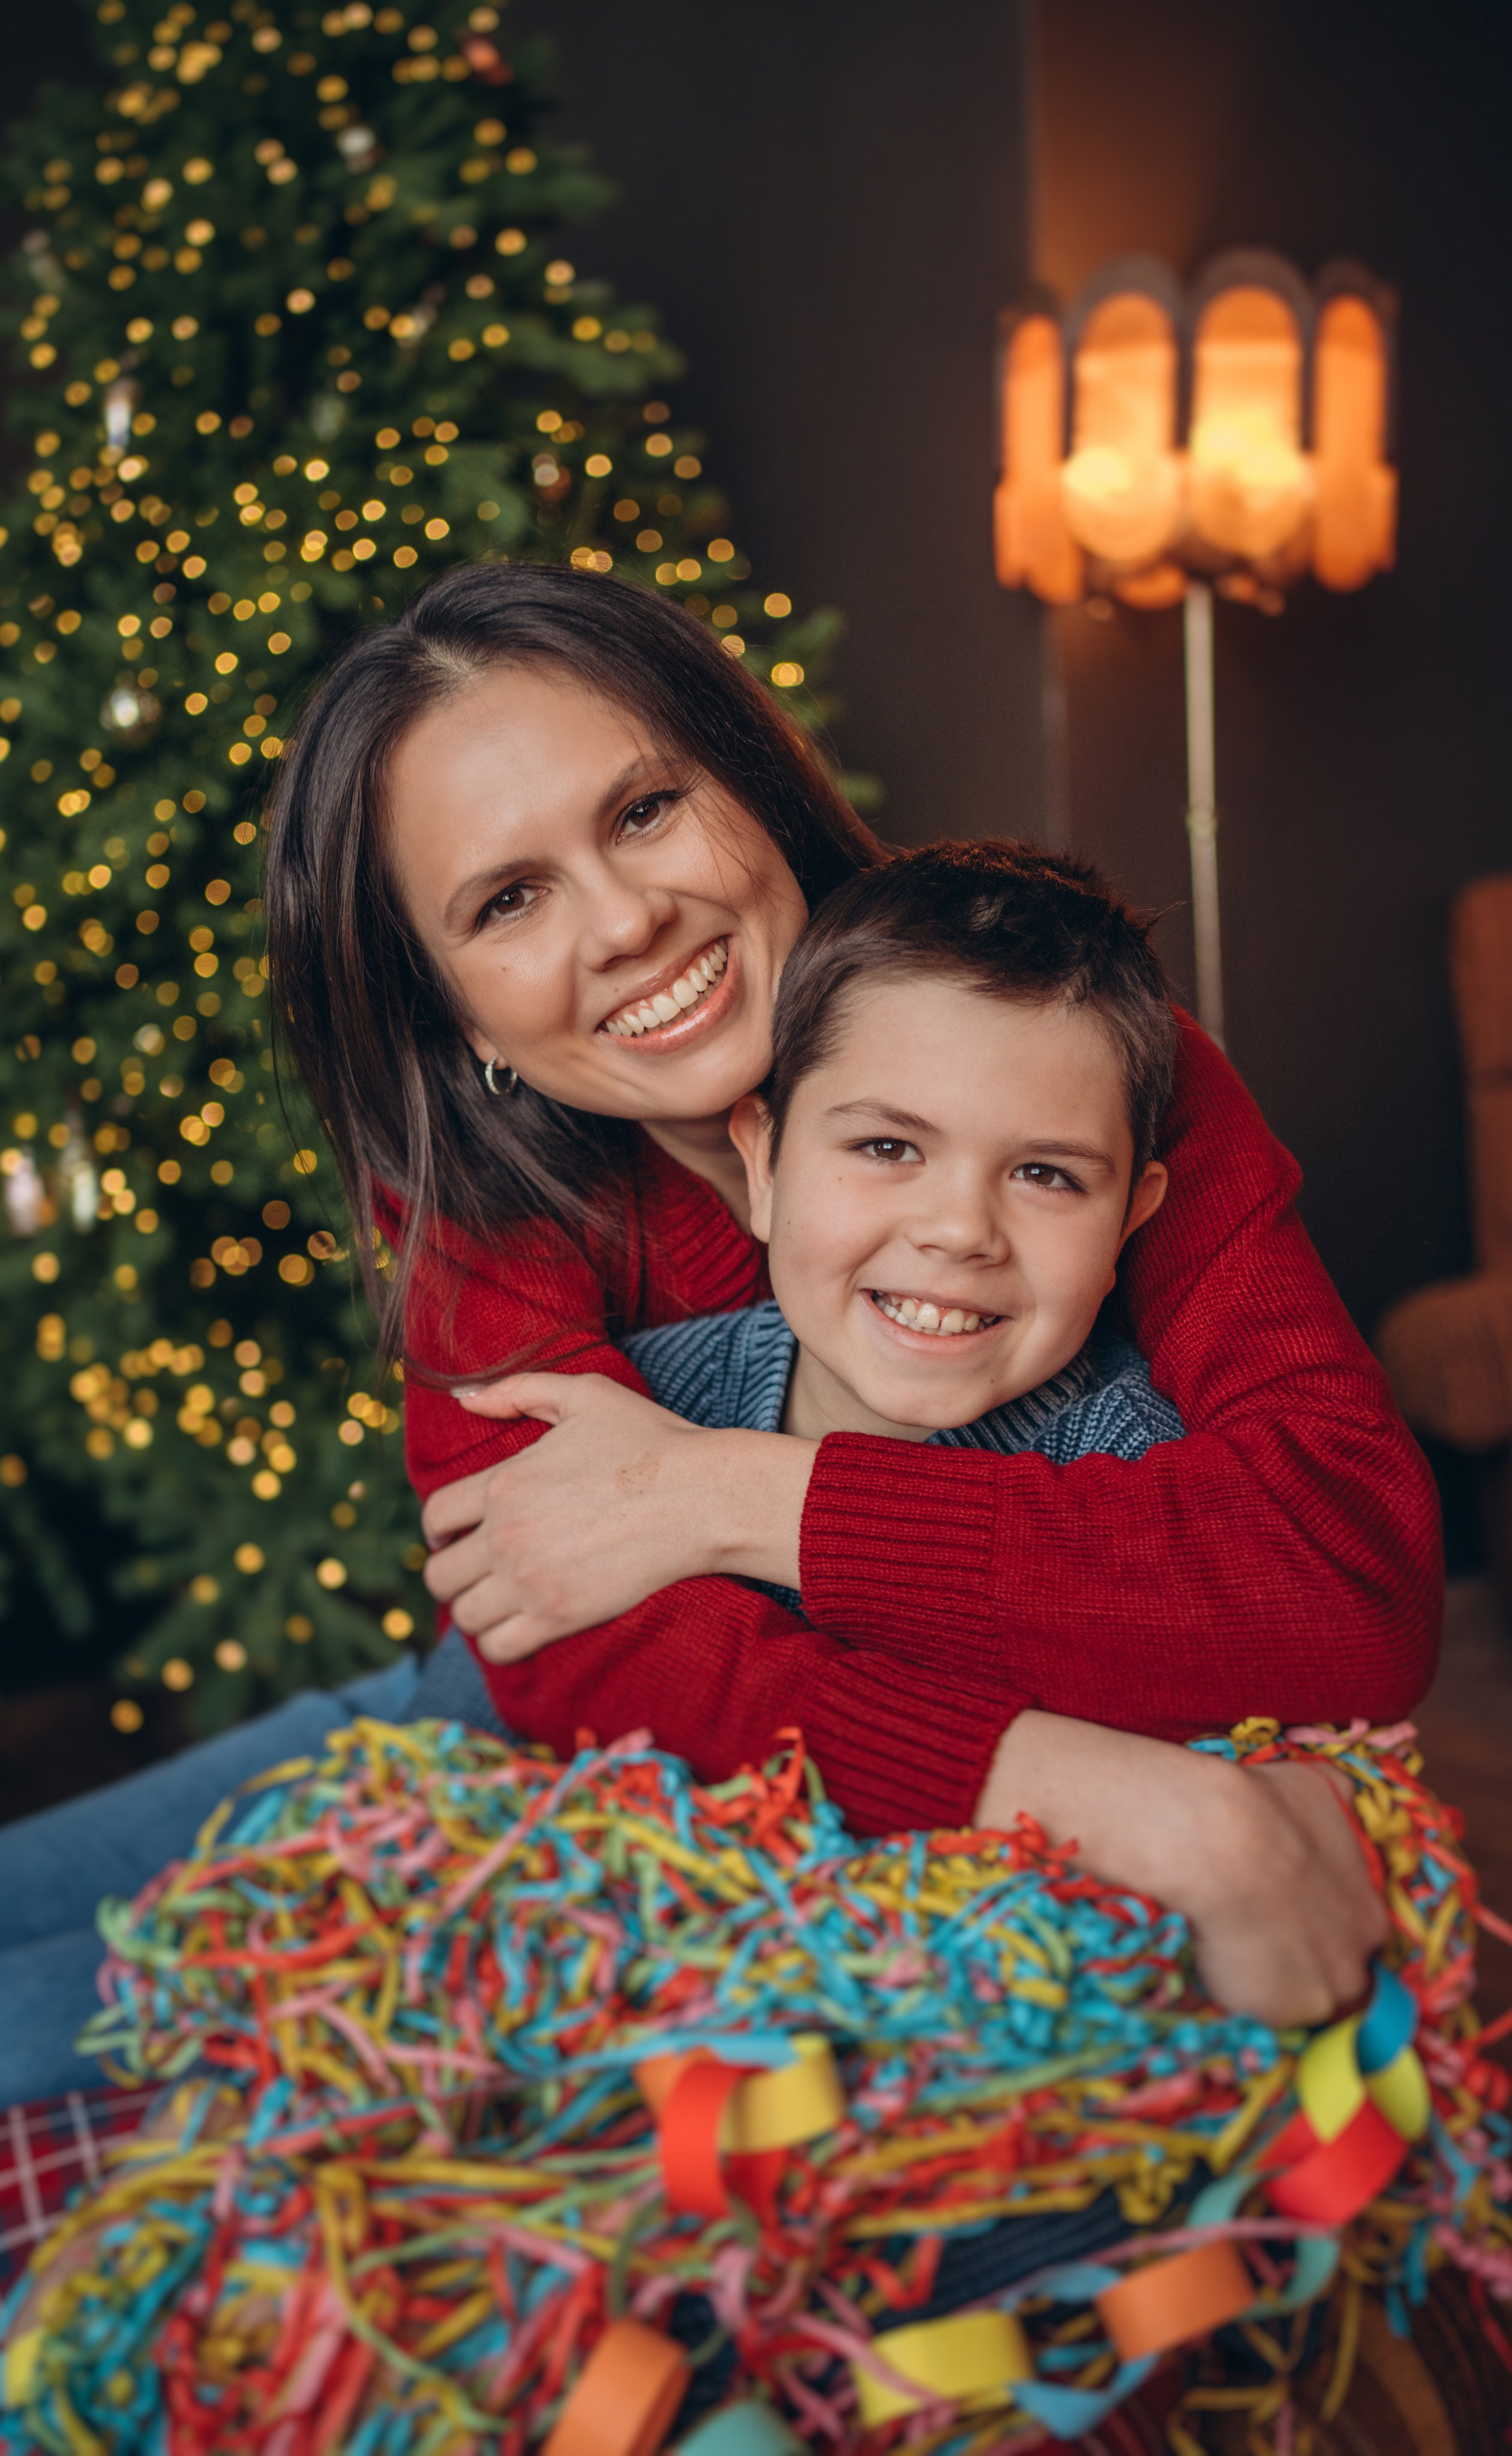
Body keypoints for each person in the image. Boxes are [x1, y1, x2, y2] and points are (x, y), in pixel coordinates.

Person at [266, 558, 1437, 1838]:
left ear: (753, 786)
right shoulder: (475, 1199)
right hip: (500, 1741)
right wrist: (1123, 1807)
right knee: (3, 2015)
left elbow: (1344, 1580)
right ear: (452, 1009)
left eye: (645, 811)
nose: (620, 923)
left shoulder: (1076, 1061)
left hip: (746, 1800)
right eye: (507, 900)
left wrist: (717, 1496)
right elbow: (559, 1633)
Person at [448, 833, 1388, 2021]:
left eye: (1047, 1175)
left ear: (1134, 1217)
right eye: (888, 1147)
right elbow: (513, 1657)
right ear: (766, 1160)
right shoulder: (634, 1409)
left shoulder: (1158, 1477)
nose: (959, 1230)